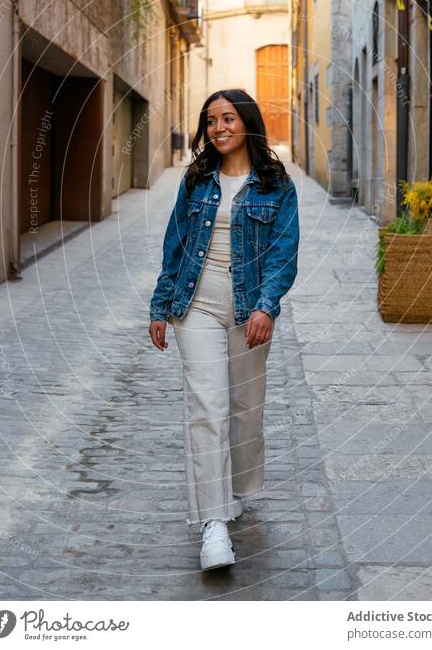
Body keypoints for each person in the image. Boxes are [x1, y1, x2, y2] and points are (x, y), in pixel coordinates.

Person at [148, 89, 300, 570]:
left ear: (247, 123)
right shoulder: (195, 180)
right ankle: (214, 525)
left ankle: (237, 488)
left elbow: (283, 251)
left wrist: (266, 306)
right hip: (196, 301)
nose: (218, 128)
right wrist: (159, 304)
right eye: (211, 120)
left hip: (249, 304)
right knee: (207, 406)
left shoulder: (277, 185)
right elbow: (175, 241)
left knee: (244, 408)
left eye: (228, 118)